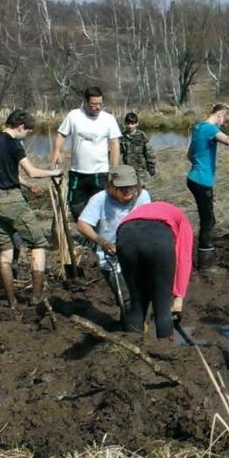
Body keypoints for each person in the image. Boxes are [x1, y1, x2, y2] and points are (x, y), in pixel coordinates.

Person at [0, 109, 63, 312]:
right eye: (27, 132)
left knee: (5, 252)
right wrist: (55, 172)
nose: (27, 136)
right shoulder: (14, 144)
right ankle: (36, 297)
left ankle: (12, 302)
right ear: (20, 126)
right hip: (12, 201)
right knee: (37, 244)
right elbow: (32, 171)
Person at [185, 103, 229, 268]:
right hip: (201, 181)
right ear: (221, 114)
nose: (223, 125)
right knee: (207, 221)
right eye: (225, 122)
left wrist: (200, 164)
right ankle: (205, 262)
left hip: (194, 178)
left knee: (209, 219)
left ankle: (204, 253)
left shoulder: (198, 127)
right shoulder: (209, 129)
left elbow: (189, 154)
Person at [74, 164, 152, 314]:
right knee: (126, 297)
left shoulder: (143, 196)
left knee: (143, 294)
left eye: (131, 187)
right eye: (122, 188)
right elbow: (82, 224)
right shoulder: (100, 200)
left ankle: (143, 326)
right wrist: (102, 242)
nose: (127, 191)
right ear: (111, 186)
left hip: (138, 253)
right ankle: (131, 329)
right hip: (111, 256)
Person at [113, 201, 194, 340]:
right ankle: (164, 353)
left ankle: (132, 350)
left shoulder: (139, 212)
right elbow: (184, 259)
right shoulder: (182, 219)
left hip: (126, 236)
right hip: (158, 241)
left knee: (137, 301)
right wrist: (178, 297)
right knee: (162, 303)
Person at [52, 86, 122, 219]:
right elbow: (61, 134)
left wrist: (115, 168)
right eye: (93, 104)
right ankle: (85, 231)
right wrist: (56, 151)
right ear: (85, 101)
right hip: (77, 171)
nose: (97, 107)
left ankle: (96, 236)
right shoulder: (74, 116)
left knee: (99, 206)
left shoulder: (108, 119)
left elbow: (114, 144)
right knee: (75, 206)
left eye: (100, 104)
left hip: (100, 172)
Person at [118, 112, 157, 182]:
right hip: (127, 168)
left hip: (140, 168)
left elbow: (149, 150)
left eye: (132, 124)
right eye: (128, 124)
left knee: (140, 189)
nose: (130, 126)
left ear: (136, 124)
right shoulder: (122, 136)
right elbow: (119, 151)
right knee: (129, 188)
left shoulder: (141, 135)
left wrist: (151, 165)